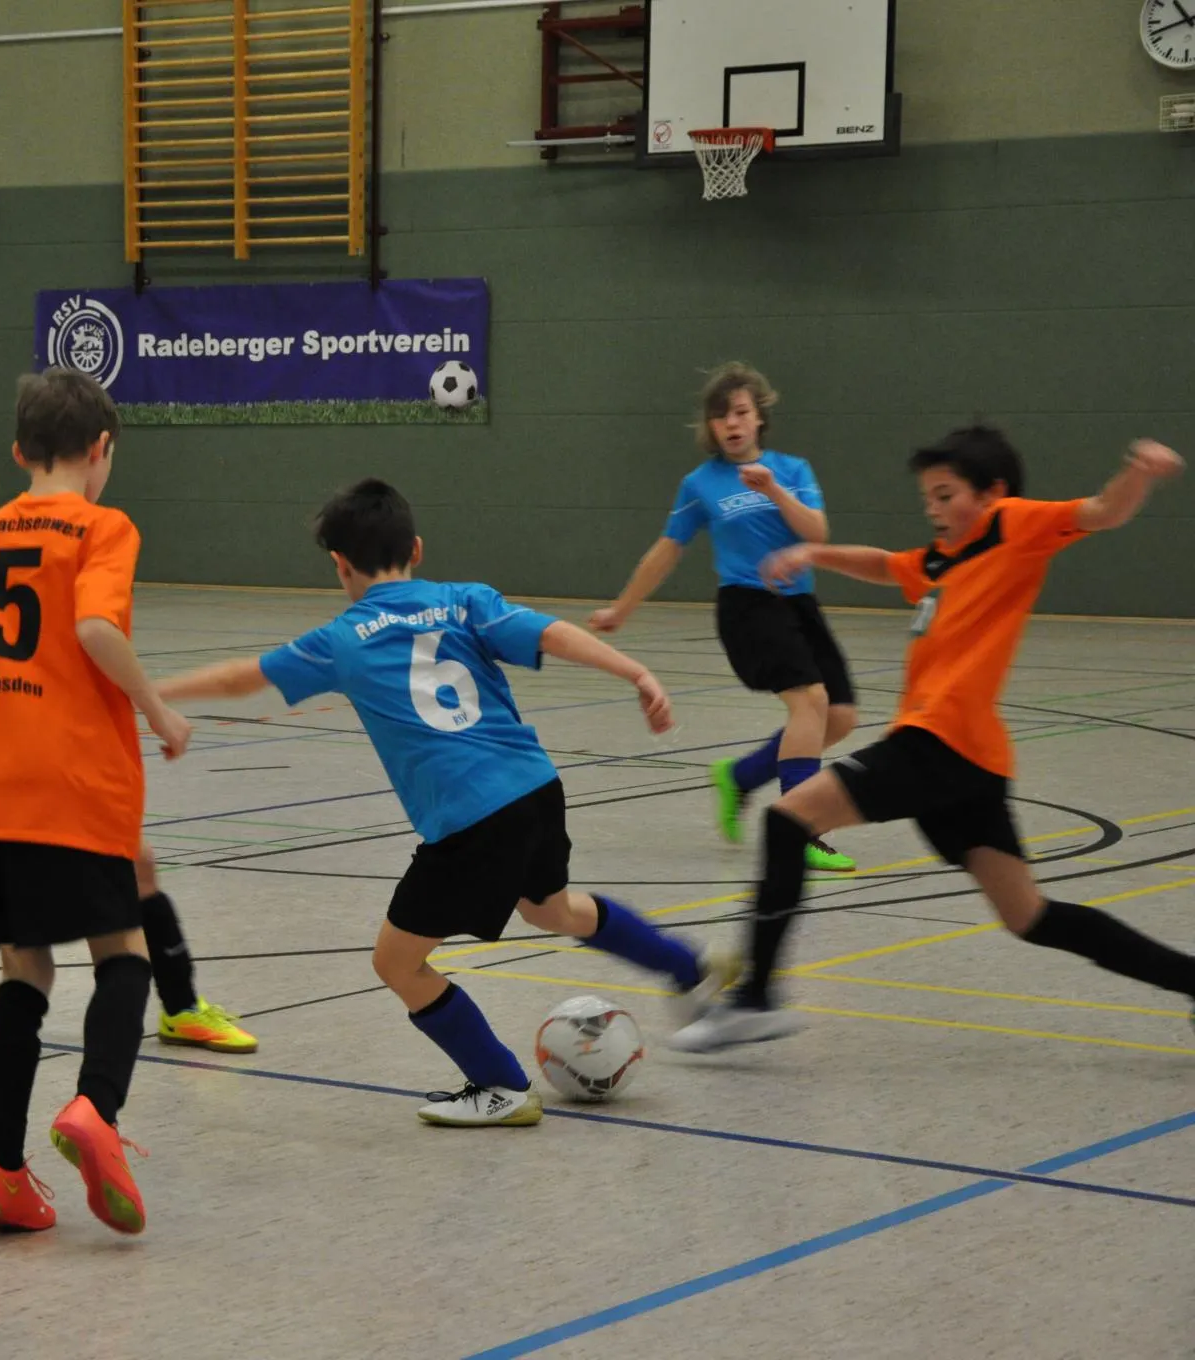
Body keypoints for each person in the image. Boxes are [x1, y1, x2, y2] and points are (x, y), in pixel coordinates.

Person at [156, 479, 736, 1128]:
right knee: (552, 909)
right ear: (417, 549)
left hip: (472, 820)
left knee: (397, 962)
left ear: (339, 564)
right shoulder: (466, 602)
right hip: (536, 789)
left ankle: (501, 1085)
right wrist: (636, 672)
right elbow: (551, 634)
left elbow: (241, 678)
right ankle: (686, 964)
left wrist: (150, 692)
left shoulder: (342, 639)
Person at [672, 429, 1193, 1052]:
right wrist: (814, 554)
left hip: (939, 741)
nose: (934, 508)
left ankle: (755, 998)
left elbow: (1103, 511)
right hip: (973, 763)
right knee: (1029, 916)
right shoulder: (942, 560)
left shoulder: (1013, 524)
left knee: (788, 820)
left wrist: (1139, 471)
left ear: (991, 492)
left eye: (946, 495)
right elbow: (888, 565)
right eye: (928, 498)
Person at [0, 437, 257, 1055]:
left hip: (45, 748)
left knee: (128, 867)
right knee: (47, 912)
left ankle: (179, 1007)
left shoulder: (0, 545)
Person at [0, 370, 190, 1236]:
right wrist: (156, 708)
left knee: (25, 967)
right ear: (101, 448)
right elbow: (93, 627)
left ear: (18, 452)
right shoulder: (103, 526)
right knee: (123, 950)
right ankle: (95, 1110)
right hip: (69, 781)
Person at [592, 364, 860, 872]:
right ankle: (800, 830)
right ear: (711, 427)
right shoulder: (700, 484)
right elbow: (667, 549)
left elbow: (817, 533)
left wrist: (773, 490)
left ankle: (740, 777)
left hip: (800, 606)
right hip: (747, 607)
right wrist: (621, 609)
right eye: (720, 416)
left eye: (739, 412)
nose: (731, 423)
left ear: (759, 417)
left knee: (840, 717)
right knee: (810, 701)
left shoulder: (793, 470)